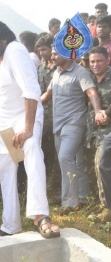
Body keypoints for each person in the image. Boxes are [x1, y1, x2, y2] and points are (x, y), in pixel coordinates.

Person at [0, 19, 60, 238]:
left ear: (4, 38)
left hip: (25, 116)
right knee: (7, 170)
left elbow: (31, 91)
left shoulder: (16, 51)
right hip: (2, 121)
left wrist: (28, 128)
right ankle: (10, 225)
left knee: (32, 150)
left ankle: (40, 216)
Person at [41, 45, 102, 215]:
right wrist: (28, 106)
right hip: (58, 125)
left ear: (68, 55)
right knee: (74, 161)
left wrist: (98, 111)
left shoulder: (80, 72)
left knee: (65, 157)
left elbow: (92, 93)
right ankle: (82, 198)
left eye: (56, 53)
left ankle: (69, 202)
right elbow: (47, 95)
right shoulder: (57, 73)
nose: (52, 56)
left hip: (74, 123)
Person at [86, 46, 111, 222]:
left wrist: (106, 114)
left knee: (100, 163)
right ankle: (100, 201)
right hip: (92, 133)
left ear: (107, 60)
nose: (95, 64)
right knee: (93, 167)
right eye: (92, 61)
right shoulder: (88, 79)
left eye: (99, 60)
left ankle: (107, 209)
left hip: (108, 131)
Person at [35, 35, 61, 199]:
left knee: (58, 154)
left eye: (44, 49)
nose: (42, 53)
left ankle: (55, 187)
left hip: (58, 116)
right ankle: (44, 187)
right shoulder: (40, 68)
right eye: (39, 50)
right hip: (43, 118)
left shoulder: (60, 68)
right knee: (44, 152)